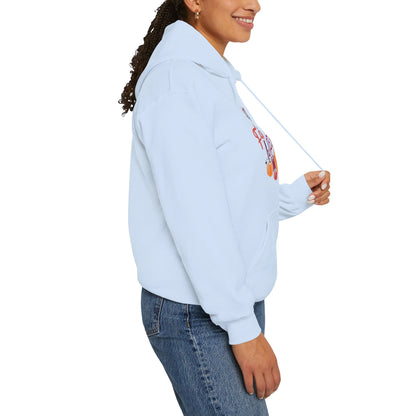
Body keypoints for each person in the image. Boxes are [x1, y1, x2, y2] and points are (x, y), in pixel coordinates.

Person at [119, 1, 331, 414]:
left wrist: (294, 196)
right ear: (194, 1)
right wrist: (242, 328)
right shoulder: (177, 84)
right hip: (197, 312)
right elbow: (197, 220)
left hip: (225, 301)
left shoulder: (208, 75)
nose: (254, 5)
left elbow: (226, 194)